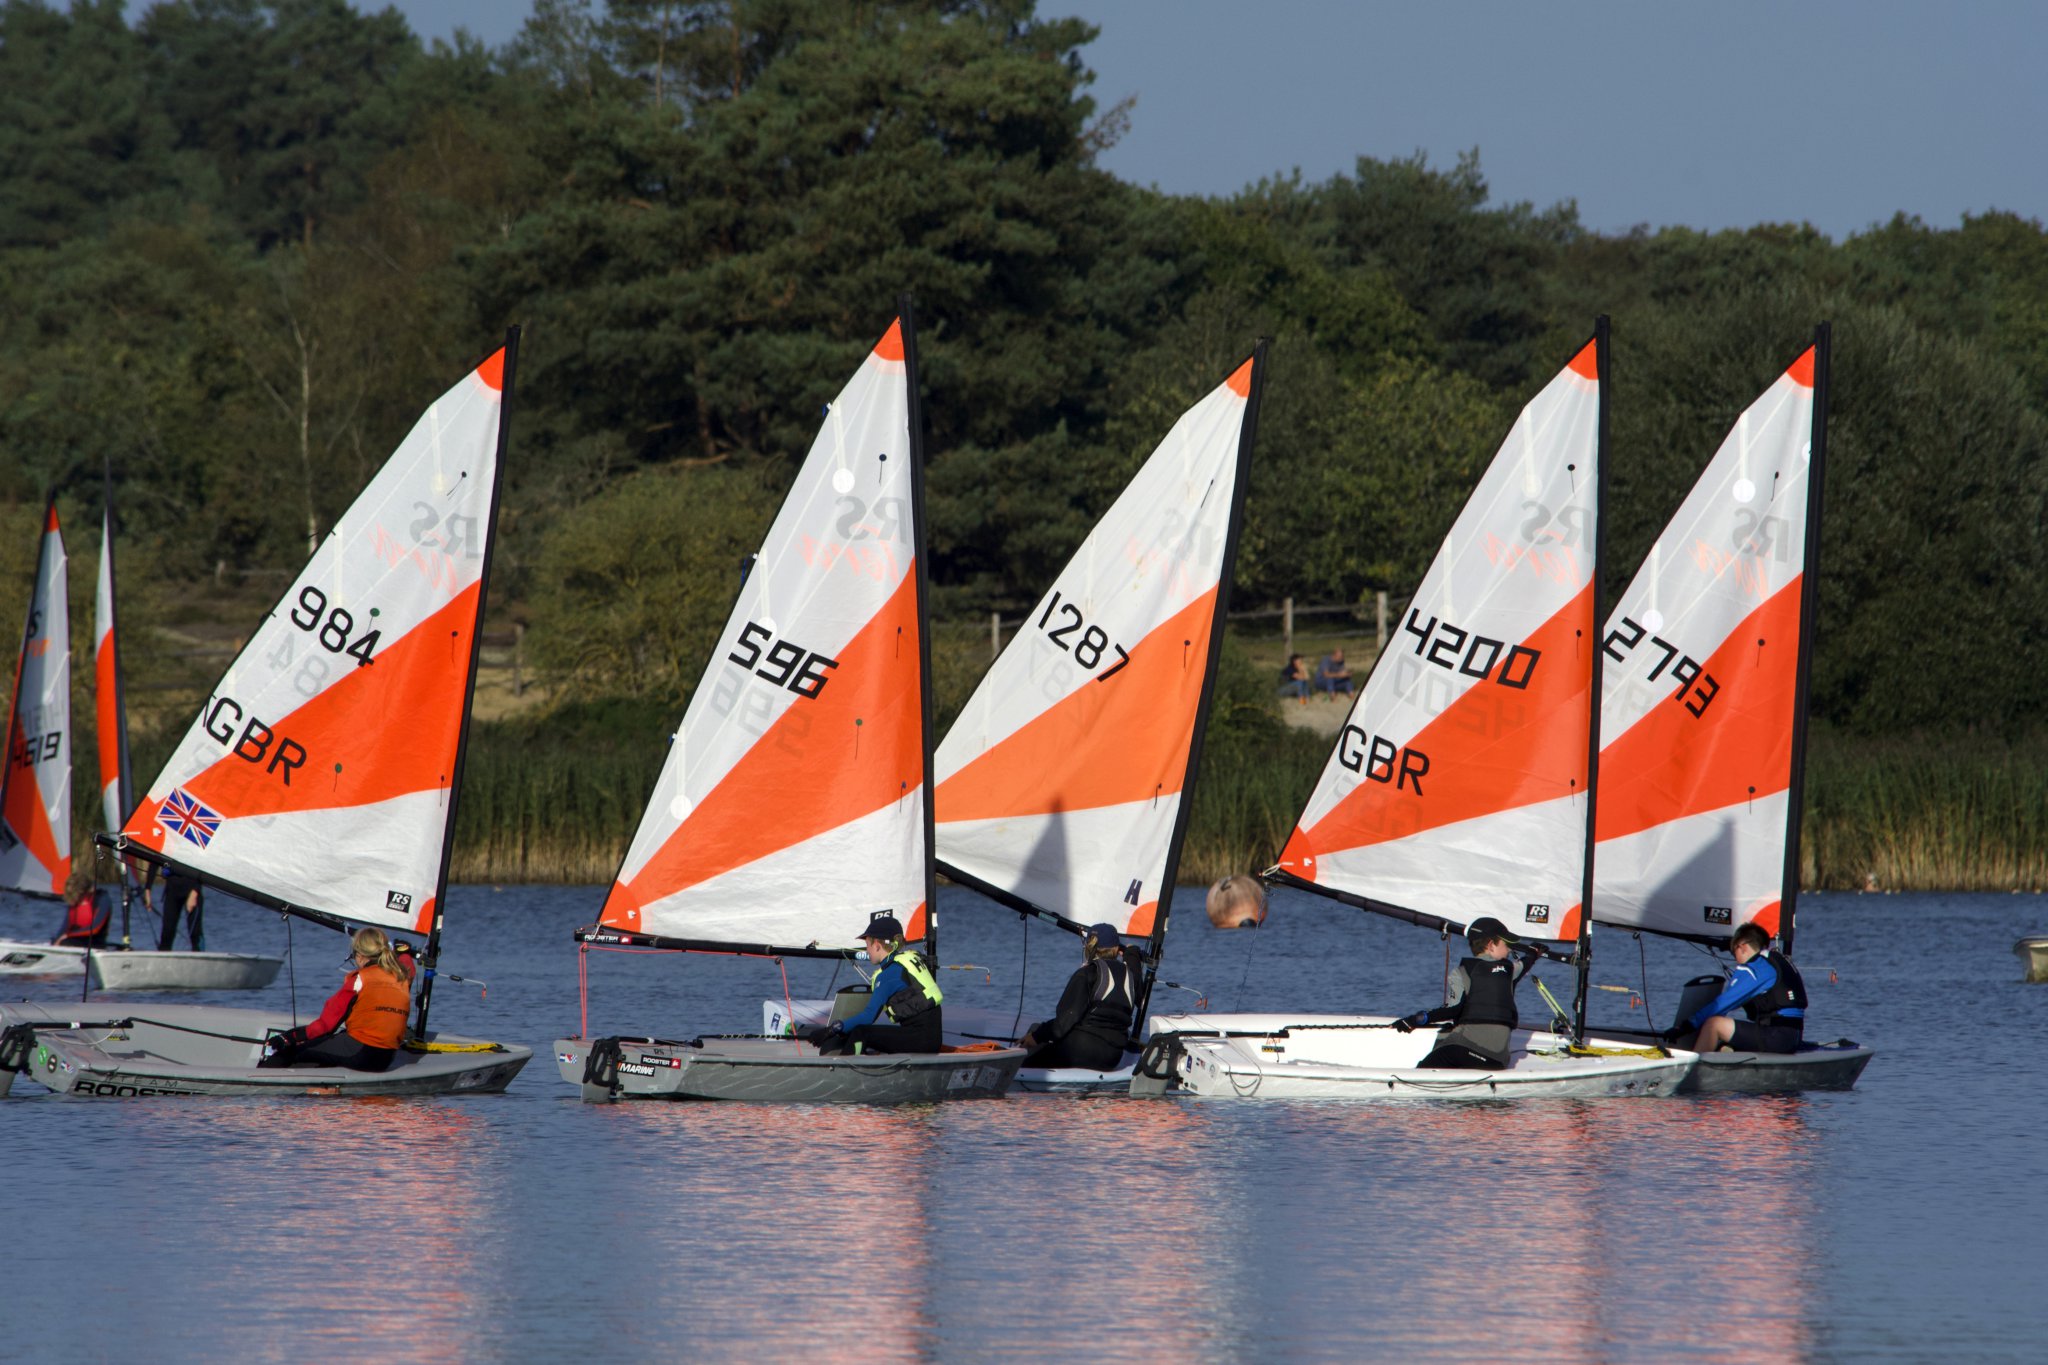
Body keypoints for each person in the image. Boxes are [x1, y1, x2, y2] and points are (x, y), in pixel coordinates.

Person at [1392, 917, 1541, 1070]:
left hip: (1467, 1051)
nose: (1509, 949)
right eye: (1506, 944)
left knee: (1428, 1064)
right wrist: (1535, 951)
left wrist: (1414, 1020)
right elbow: (1527, 960)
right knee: (1451, 1037)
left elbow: (1452, 1010)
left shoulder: (1461, 972)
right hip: (1498, 1060)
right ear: (1490, 945)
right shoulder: (1511, 970)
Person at [259, 927, 414, 1072]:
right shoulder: (402, 977)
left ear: (360, 956)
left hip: (361, 1053)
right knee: (325, 1048)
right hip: (386, 1058)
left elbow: (326, 1026)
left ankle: (258, 1083)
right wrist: (405, 953)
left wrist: (288, 1038)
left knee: (288, 1053)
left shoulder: (359, 980)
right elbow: (409, 966)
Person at [809, 914, 943, 1056]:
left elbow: (868, 1017)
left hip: (921, 1041)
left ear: (877, 945)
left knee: (861, 1032)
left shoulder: (889, 974)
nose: (867, 950)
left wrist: (830, 1030)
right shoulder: (906, 962)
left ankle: (842, 1068)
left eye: (868, 945)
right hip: (929, 1038)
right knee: (856, 1030)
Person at [1669, 922, 1807, 1054]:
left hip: (1778, 1037)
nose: (1735, 959)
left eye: (1734, 951)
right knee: (1723, 1039)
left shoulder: (1754, 969)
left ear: (1742, 947)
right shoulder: (1776, 960)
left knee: (1714, 1024)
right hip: (1793, 1036)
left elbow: (1721, 1005)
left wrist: (1686, 1027)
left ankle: (1694, 1067)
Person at [1016, 923, 1138, 1071]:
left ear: (1088, 946)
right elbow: (1136, 973)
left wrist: (1036, 1036)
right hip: (1111, 1058)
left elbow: (1065, 1021)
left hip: (1080, 1051)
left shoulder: (1086, 973)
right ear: (1117, 949)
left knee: (1035, 1032)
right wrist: (1132, 952)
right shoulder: (1131, 976)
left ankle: (1017, 1071)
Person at [52, 868, 111, 947]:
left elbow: (95, 928)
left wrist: (68, 935)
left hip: (94, 941)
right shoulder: (74, 901)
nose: (77, 901)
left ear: (84, 892)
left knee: (66, 942)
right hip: (72, 939)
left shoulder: (102, 899)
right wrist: (56, 941)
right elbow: (65, 927)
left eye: (78, 897)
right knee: (56, 940)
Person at [157, 870, 206, 951]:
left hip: (192, 890)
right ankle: (163, 955)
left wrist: (195, 891)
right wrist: (148, 888)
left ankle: (200, 955)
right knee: (167, 931)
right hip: (172, 890)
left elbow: (202, 868)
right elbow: (155, 863)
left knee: (195, 932)